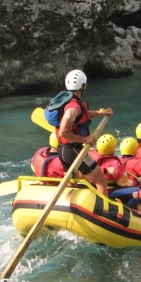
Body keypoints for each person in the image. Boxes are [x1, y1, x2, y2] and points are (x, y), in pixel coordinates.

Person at [56, 69, 113, 197]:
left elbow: (83, 115)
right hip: (73, 151)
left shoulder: (67, 101)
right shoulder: (73, 107)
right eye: (85, 84)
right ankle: (104, 212)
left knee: (72, 181)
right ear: (81, 86)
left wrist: (100, 113)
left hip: (63, 151)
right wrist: (85, 140)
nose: (85, 86)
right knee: (102, 182)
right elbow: (63, 132)